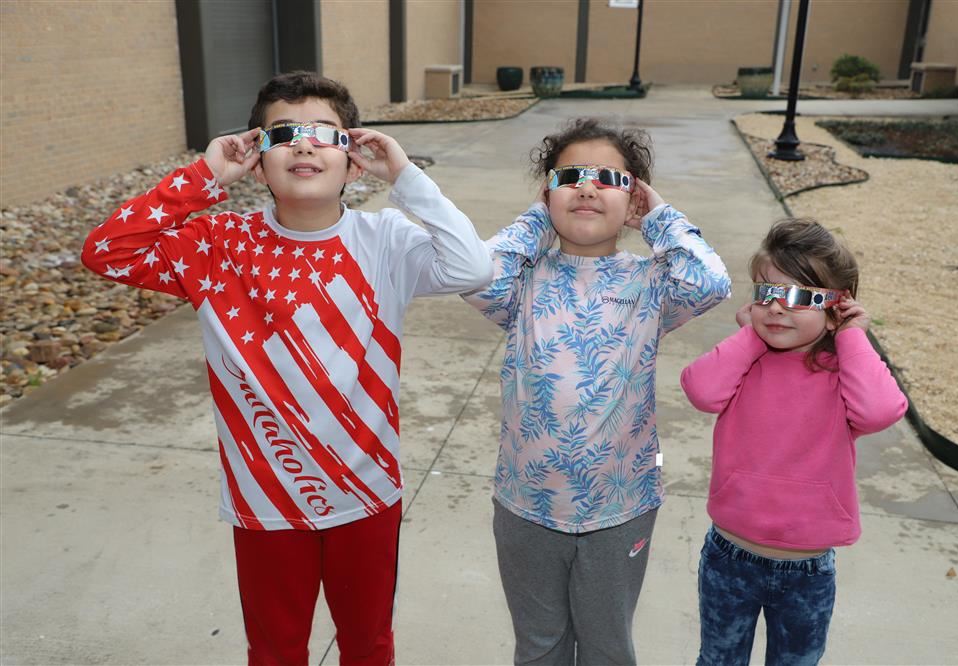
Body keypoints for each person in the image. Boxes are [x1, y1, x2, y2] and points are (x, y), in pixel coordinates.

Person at [79, 70, 492, 665]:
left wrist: (405, 177)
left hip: (367, 492)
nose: (303, 144)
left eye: (324, 133)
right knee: (274, 649)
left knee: (368, 644)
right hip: (265, 494)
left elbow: (473, 267)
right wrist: (203, 178)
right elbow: (107, 251)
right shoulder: (216, 244)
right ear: (257, 160)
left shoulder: (386, 241)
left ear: (353, 161)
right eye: (285, 133)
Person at [462, 117, 731, 665]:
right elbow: (475, 273)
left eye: (609, 177)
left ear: (633, 199)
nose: (587, 187)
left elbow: (711, 282)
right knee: (539, 645)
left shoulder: (652, 281)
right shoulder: (523, 280)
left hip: (621, 505)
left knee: (609, 647)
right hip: (526, 505)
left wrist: (659, 216)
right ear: (548, 196)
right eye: (571, 177)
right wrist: (538, 217)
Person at [680, 218, 908, 666]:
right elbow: (701, 391)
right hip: (729, 556)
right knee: (718, 659)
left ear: (835, 308)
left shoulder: (845, 373)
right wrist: (749, 335)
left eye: (801, 296)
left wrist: (852, 338)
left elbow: (881, 410)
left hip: (807, 569)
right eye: (767, 294)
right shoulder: (745, 361)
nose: (779, 308)